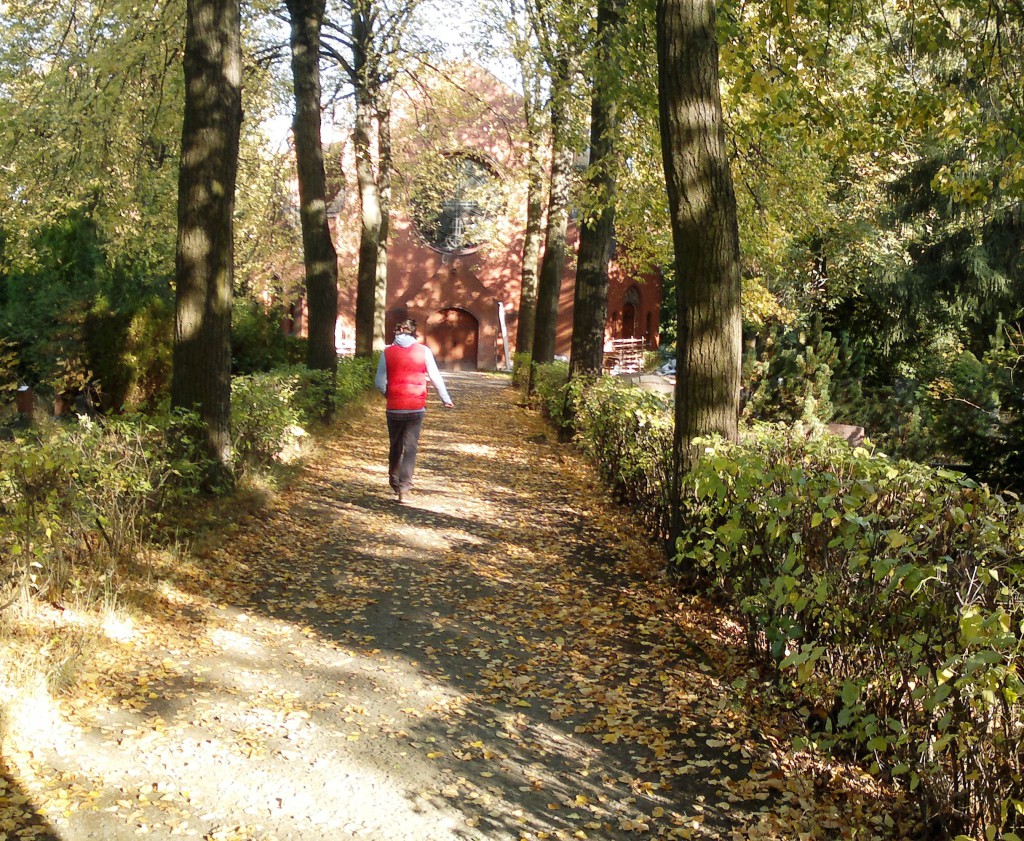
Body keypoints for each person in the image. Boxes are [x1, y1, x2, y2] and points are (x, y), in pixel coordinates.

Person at [375, 319, 454, 504]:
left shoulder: (386, 352)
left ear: (397, 332)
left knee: (395, 445)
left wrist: (390, 395)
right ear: (413, 333)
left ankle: (393, 480)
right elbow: (435, 376)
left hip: (394, 407)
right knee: (410, 448)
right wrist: (445, 398)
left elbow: (379, 383)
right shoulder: (424, 351)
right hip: (415, 407)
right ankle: (404, 489)